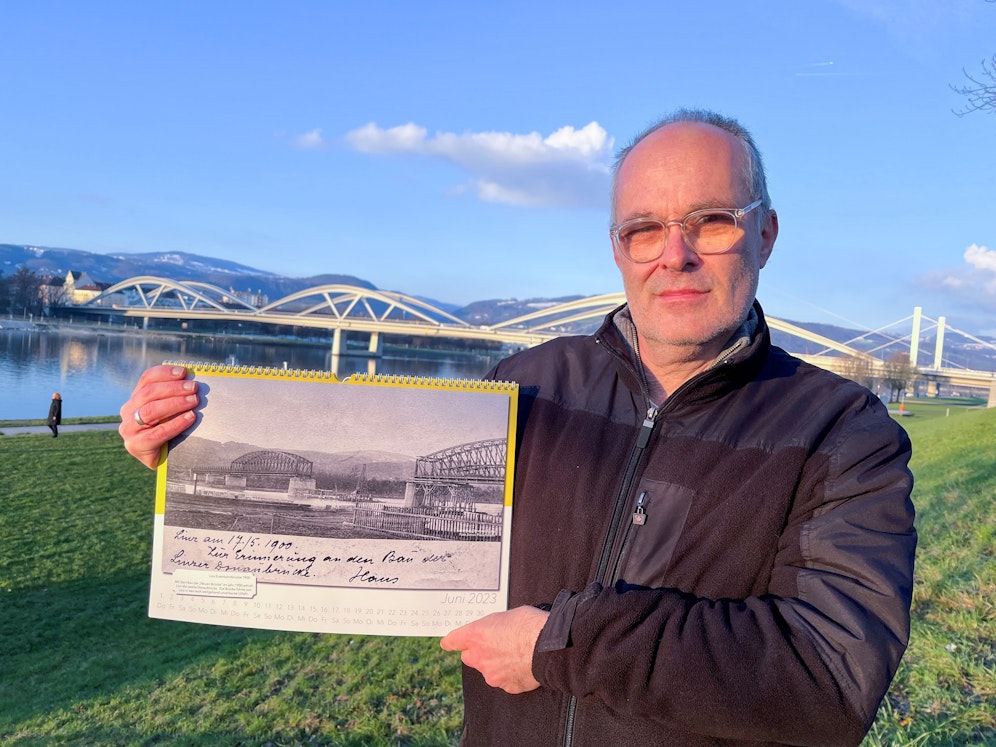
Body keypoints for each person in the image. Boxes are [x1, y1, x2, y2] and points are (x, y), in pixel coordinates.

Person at [119, 109, 917, 746]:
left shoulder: (844, 436)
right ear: (616, 248)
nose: (673, 255)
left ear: (766, 234)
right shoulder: (526, 385)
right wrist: (192, 445)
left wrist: (566, 644)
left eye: (710, 220)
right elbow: (370, 498)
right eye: (644, 229)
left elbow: (829, 682)